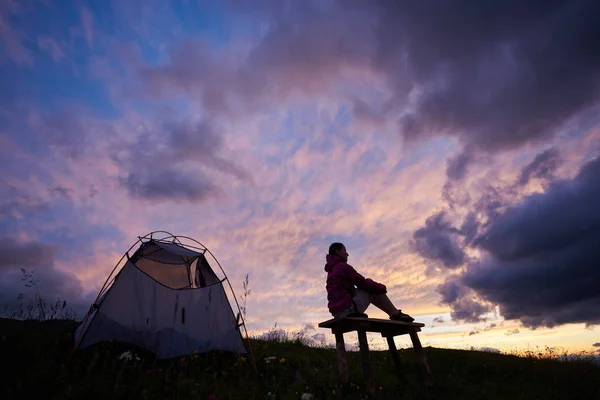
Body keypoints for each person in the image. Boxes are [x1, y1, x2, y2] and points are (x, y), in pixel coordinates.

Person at [325, 242, 414, 322]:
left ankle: (394, 313)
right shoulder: (342, 267)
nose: (347, 254)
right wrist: (381, 287)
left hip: (337, 312)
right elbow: (362, 282)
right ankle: (395, 314)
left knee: (367, 287)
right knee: (371, 288)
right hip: (347, 310)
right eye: (344, 250)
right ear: (337, 252)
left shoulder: (332, 270)